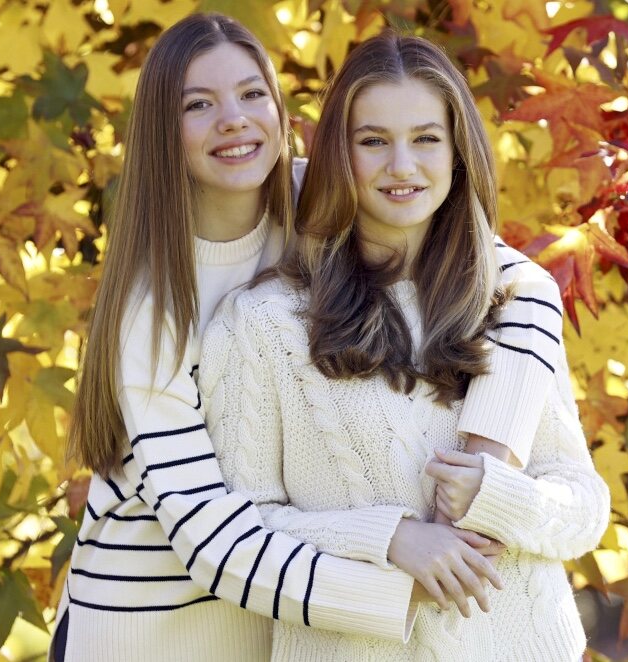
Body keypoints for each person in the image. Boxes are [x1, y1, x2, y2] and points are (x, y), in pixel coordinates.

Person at [52, 13, 566, 662]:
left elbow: (513, 279)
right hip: (149, 630)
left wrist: (487, 456)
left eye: (251, 94)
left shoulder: (324, 197)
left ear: (281, 109)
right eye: (199, 104)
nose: (233, 119)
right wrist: (402, 565)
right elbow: (211, 538)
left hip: (279, 627)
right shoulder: (154, 313)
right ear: (162, 133)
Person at [200, 31, 610, 662]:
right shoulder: (264, 326)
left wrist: (500, 497)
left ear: (457, 152)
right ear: (340, 154)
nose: (402, 166)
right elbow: (244, 536)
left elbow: (583, 507)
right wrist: (394, 540)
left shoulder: (511, 306)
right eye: (373, 142)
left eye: (425, 139)